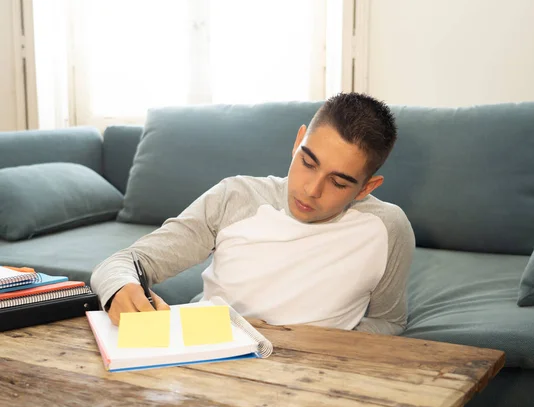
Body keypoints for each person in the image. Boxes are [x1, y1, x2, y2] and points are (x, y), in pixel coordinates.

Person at [90, 92, 415, 335]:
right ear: (298, 141)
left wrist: (302, 343)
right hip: (213, 355)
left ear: (365, 188)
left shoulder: (388, 228)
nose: (311, 190)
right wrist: (119, 287)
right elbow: (121, 264)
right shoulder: (236, 197)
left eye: (338, 182)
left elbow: (388, 321)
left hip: (312, 376)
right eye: (308, 163)